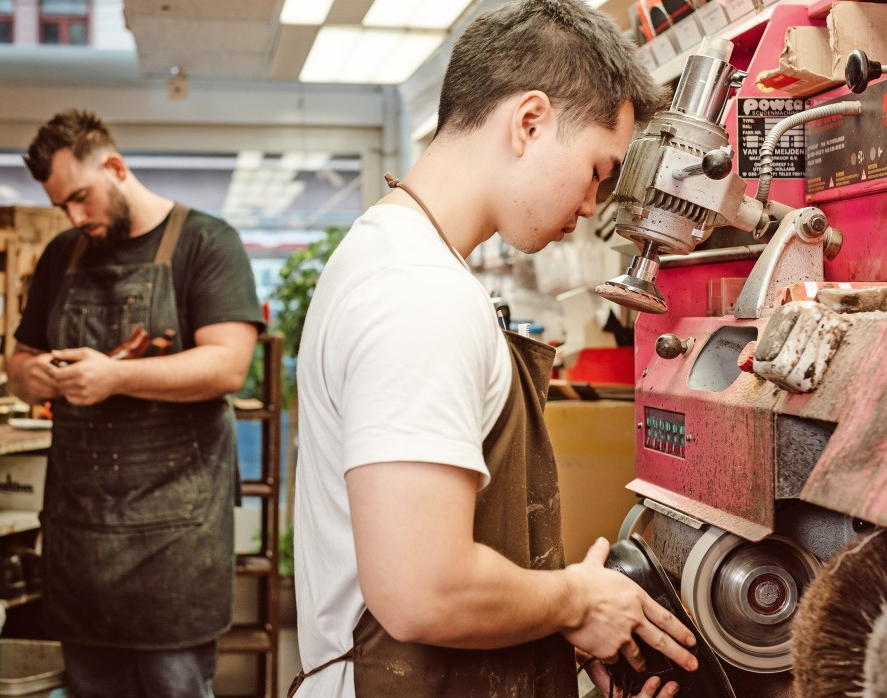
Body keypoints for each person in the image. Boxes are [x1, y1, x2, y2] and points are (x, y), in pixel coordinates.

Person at [292, 2, 699, 696]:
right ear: (530, 122)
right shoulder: (419, 294)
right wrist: (577, 600)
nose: (593, 206)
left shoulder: (394, 254)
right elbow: (425, 589)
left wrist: (556, 625)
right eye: (599, 171)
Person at [7, 109, 264, 698]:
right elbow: (16, 368)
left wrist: (115, 379)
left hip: (175, 534)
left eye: (80, 199)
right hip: (80, 531)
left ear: (116, 168)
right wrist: (39, 376)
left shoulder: (206, 242)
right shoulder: (61, 255)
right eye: (62, 207)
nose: (74, 218)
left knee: (174, 687)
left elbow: (227, 365)